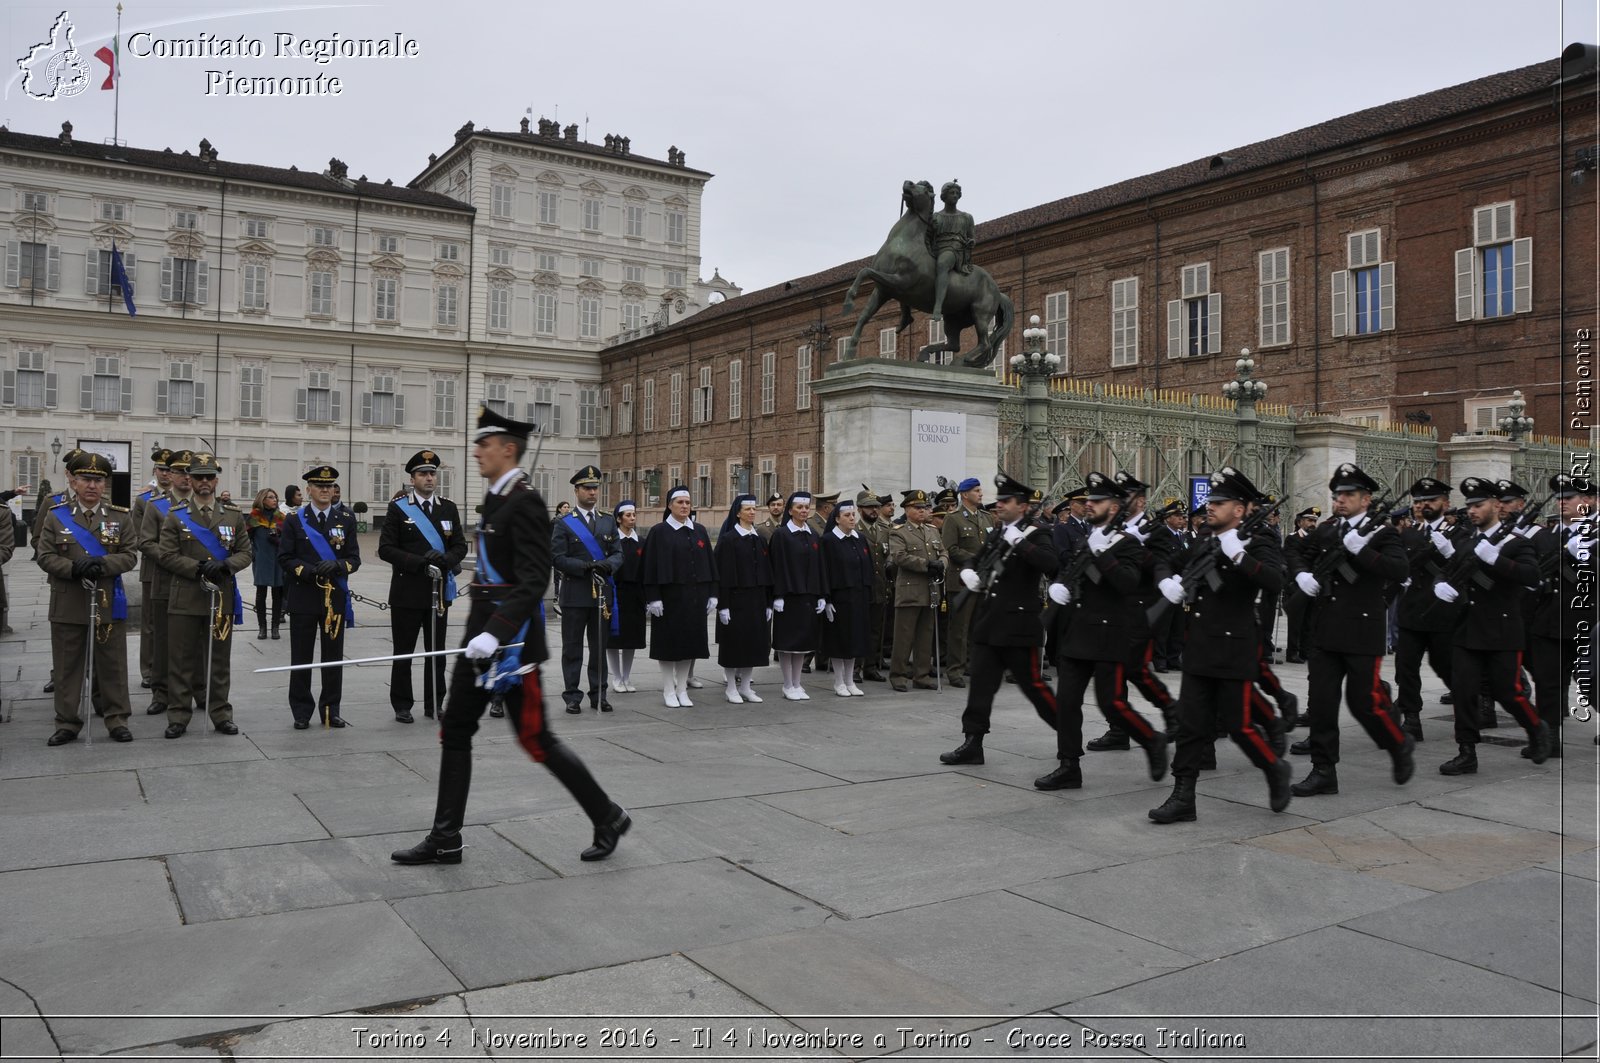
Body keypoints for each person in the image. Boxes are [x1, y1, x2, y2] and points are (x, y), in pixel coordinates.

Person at [392, 406, 630, 867]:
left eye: (484, 444)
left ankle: (607, 815)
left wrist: (496, 635)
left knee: (535, 738)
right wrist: (480, 636)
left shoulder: (525, 502)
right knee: (455, 729)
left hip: (512, 646)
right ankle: (446, 838)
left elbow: (532, 579)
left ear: (507, 449)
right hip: (481, 641)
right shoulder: (497, 498)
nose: (477, 451)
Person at [1148, 467, 1294, 823]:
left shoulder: (1258, 541)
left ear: (1241, 509)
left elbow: (1276, 580)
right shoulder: (1204, 538)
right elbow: (1166, 559)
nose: (1209, 507)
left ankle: (1274, 769)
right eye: (1209, 501)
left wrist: (1240, 556)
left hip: (1234, 646)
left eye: (1218, 502)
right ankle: (1183, 795)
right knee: (1190, 724)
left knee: (1239, 725)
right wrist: (1168, 582)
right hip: (1199, 645)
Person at [1288, 463, 1414, 798]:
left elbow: (1400, 569)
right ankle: (1323, 771)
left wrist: (1364, 550)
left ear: (1366, 499)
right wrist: (1302, 575)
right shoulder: (1328, 531)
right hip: (1325, 629)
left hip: (1362, 629)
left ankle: (1397, 744)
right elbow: (1296, 552)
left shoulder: (1383, 534)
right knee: (1323, 704)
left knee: (1364, 703)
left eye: (1348, 495)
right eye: (1337, 495)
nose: (1340, 501)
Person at [1040, 473, 1169, 788]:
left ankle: (1151, 740)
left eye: (1095, 501)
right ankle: (1069, 765)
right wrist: (1062, 586)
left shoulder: (1125, 543)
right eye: (1088, 501)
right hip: (1079, 632)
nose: (1088, 505)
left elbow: (1126, 583)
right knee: (1067, 702)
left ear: (1113, 507)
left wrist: (1103, 553)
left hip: (1110, 634)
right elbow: (1081, 577)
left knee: (1111, 703)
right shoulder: (1089, 537)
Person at [939, 474, 1059, 769]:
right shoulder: (996, 532)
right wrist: (969, 572)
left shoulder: (1036, 533)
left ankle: (1068, 731)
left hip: (1019, 626)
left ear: (1022, 506)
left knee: (1035, 688)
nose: (999, 505)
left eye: (1006, 501)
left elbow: (1052, 564)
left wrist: (1021, 543)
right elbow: (975, 559)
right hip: (990, 622)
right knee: (980, 686)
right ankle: (972, 742)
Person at [1432, 477, 1551, 774]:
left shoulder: (1516, 543)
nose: (1472, 510)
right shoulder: (1467, 541)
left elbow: (1531, 576)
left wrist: (1496, 560)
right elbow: (1447, 571)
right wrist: (1440, 586)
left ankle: (1537, 730)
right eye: (1469, 505)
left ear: (1497, 506)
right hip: (1467, 630)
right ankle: (1466, 751)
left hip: (1502, 630)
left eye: (1478, 504)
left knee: (1508, 692)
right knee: (1464, 690)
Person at [36, 451, 139, 745]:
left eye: (98, 480)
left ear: (104, 484)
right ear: (74, 481)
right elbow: (44, 555)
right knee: (68, 667)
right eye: (86, 479)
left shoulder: (120, 516)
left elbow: (130, 555)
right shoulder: (57, 516)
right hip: (69, 601)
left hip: (107, 600)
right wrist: (72, 568)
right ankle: (67, 722)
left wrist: (101, 565)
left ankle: (117, 719)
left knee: (113, 665)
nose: (92, 485)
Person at [156, 452, 252, 738]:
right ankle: (178, 716)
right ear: (190, 480)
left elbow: (246, 552)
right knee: (181, 661)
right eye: (199, 477)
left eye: (209, 477)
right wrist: (197, 568)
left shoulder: (232, 515)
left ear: (216, 479)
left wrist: (225, 565)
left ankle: (221, 713)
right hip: (185, 597)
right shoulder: (176, 516)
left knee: (219, 661)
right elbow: (166, 555)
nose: (204, 482)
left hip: (219, 598)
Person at [379, 450, 468, 723]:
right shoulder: (398, 508)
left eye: (432, 473)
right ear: (412, 478)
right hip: (407, 591)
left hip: (438, 593)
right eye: (423, 474)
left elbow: (460, 545)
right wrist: (420, 563)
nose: (429, 478)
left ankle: (435, 703)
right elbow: (385, 549)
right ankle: (402, 704)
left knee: (436, 652)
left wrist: (445, 559)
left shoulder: (448, 508)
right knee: (403, 653)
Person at [279, 465, 361, 728]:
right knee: (301, 657)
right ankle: (301, 711)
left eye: (330, 486)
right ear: (309, 490)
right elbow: (285, 558)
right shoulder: (294, 520)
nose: (326, 490)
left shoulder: (346, 520)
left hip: (333, 597)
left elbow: (354, 559)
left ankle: (331, 709)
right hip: (303, 596)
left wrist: (338, 566)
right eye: (319, 486)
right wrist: (309, 571)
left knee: (333, 656)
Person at [549, 466, 624, 714]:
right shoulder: (564, 523)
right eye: (587, 488)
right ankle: (572, 696)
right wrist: (586, 566)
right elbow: (557, 557)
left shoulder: (607, 520)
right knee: (572, 649)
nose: (592, 492)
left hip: (602, 596)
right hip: (575, 594)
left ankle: (599, 693)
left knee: (599, 648)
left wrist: (606, 565)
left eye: (595, 488)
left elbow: (618, 554)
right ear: (576, 491)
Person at [1392, 479, 1458, 743]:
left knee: (1446, 666)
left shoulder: (1458, 533)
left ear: (1445, 503)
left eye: (1430, 500)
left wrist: (1450, 553)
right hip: (1412, 613)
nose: (1423, 506)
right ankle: (1411, 718)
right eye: (1419, 501)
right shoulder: (1410, 534)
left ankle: (1469, 705)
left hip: (1442, 614)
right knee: (1405, 666)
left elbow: (1465, 567)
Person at [640, 486, 717, 707]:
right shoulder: (659, 532)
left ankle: (682, 688)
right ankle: (668, 689)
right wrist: (652, 597)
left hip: (695, 597)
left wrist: (713, 593)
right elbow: (650, 566)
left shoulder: (699, 530)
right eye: (680, 502)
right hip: (669, 598)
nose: (685, 506)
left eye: (687, 502)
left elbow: (709, 564)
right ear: (669, 505)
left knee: (689, 646)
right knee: (669, 646)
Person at [140, 449, 194, 718]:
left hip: (195, 583)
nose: (185, 477)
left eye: (189, 471)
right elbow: (146, 542)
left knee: (193, 642)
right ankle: (161, 693)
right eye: (179, 471)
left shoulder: (206, 504)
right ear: (169, 475)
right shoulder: (156, 505)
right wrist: (173, 559)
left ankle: (196, 690)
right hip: (165, 581)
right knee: (161, 641)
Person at [714, 494, 774, 703]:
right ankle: (731, 686)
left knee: (753, 645)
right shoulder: (728, 539)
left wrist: (768, 602)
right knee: (734, 645)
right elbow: (722, 573)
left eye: (753, 509)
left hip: (756, 599)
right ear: (738, 513)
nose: (752, 512)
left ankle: (746, 686)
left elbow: (766, 572)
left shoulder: (760, 539)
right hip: (736, 600)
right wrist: (723, 605)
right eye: (747, 509)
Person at [766, 491, 825, 700]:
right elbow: (777, 566)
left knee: (802, 644)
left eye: (806, 507)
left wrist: (821, 594)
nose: (803, 511)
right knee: (787, 643)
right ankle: (787, 684)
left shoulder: (813, 535)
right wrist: (778, 595)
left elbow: (819, 566)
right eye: (799, 507)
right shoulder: (782, 535)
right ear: (790, 510)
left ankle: (797, 683)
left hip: (808, 595)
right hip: (788, 596)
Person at [887, 489, 946, 691]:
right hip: (910, 590)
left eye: (924, 507)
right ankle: (899, 675)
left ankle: (922, 674)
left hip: (930, 591)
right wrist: (928, 564)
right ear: (907, 509)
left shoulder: (932, 530)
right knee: (904, 636)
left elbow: (943, 552)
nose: (922, 511)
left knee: (925, 636)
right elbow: (899, 557)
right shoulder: (899, 531)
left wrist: (941, 564)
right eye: (917, 508)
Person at [820, 498, 873, 697]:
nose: (852, 518)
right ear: (837, 519)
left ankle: (850, 680)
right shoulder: (828, 541)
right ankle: (839, 681)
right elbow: (824, 571)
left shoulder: (859, 538)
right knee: (840, 641)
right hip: (839, 597)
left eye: (853, 515)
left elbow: (867, 566)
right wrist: (826, 599)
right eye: (847, 515)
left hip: (858, 595)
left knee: (855, 640)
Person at [131, 447, 172, 684]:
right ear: (155, 471)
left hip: (181, 570)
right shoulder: (144, 500)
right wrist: (167, 555)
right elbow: (139, 538)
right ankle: (148, 670)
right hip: (153, 568)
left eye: (170, 470)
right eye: (162, 469)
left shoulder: (186, 497)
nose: (165, 474)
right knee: (149, 624)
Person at [940, 477, 986, 688]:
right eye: (977, 491)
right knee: (959, 629)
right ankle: (955, 670)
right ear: (965, 494)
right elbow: (951, 549)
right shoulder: (954, 518)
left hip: (982, 581)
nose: (981, 494)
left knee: (977, 627)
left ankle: (972, 664)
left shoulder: (986, 518)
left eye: (980, 490)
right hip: (961, 581)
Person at [606, 501, 648, 692]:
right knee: (614, 639)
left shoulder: (641, 541)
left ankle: (627, 677)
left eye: (634, 515)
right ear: (618, 518)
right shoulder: (612, 541)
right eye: (628, 515)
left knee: (631, 638)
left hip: (635, 594)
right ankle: (616, 677)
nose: (632, 518)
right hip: (616, 594)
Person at [856, 489, 892, 682]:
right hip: (862, 587)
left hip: (879, 586)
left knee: (875, 630)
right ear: (860, 508)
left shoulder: (884, 530)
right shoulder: (855, 530)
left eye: (876, 507)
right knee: (859, 629)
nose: (874, 511)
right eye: (870, 507)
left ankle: (871, 666)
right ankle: (855, 667)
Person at [928, 179, 975, 323]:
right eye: (951, 193)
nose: (955, 195)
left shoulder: (966, 217)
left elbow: (971, 237)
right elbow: (928, 235)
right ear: (944, 196)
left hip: (954, 249)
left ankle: (938, 306)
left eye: (957, 193)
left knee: (943, 263)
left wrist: (972, 241)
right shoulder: (935, 217)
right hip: (936, 248)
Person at [1281, 507, 1320, 664]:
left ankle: (1306, 650)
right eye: (1309, 520)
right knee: (1296, 621)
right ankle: (1292, 652)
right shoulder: (1292, 538)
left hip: (1312, 584)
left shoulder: (1316, 538)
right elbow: (1293, 559)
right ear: (1300, 522)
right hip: (1296, 583)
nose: (1312, 523)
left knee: (1309, 620)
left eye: (1314, 521)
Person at [248, 488, 286, 640]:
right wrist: (253, 553)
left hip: (278, 560)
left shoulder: (281, 517)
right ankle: (262, 628)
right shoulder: (253, 517)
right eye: (271, 497)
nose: (275, 500)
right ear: (262, 500)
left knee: (278, 594)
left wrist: (278, 539)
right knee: (260, 594)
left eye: (275, 497)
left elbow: (288, 540)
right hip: (262, 558)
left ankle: (275, 627)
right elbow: (246, 538)